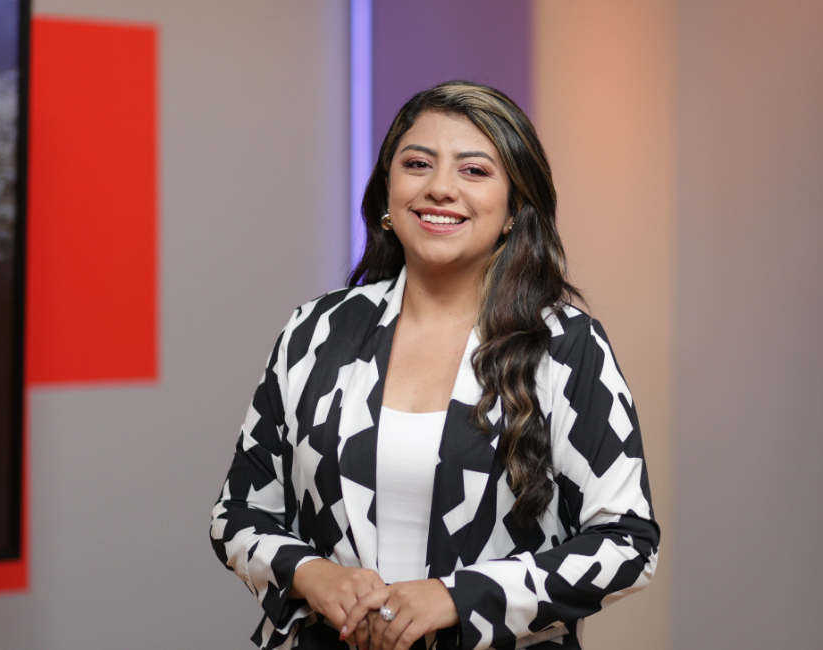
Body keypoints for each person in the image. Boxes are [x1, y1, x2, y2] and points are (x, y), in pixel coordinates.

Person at [210, 80, 659, 650]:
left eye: (474, 171)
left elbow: (626, 543)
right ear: (388, 197)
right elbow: (238, 514)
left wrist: (457, 597)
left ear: (513, 211)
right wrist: (312, 574)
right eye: (418, 163)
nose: (440, 188)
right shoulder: (314, 331)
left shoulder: (565, 346)